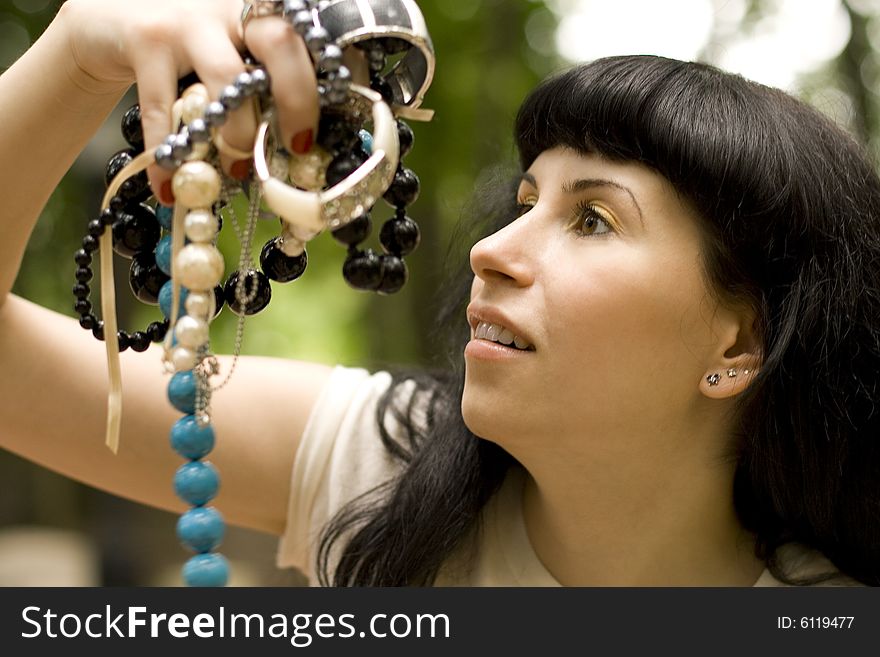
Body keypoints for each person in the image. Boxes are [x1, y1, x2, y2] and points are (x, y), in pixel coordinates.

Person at [1, 0, 878, 587]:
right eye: (525, 201)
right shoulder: (380, 467)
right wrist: (79, 51)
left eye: (595, 220)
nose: (492, 249)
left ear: (738, 346)